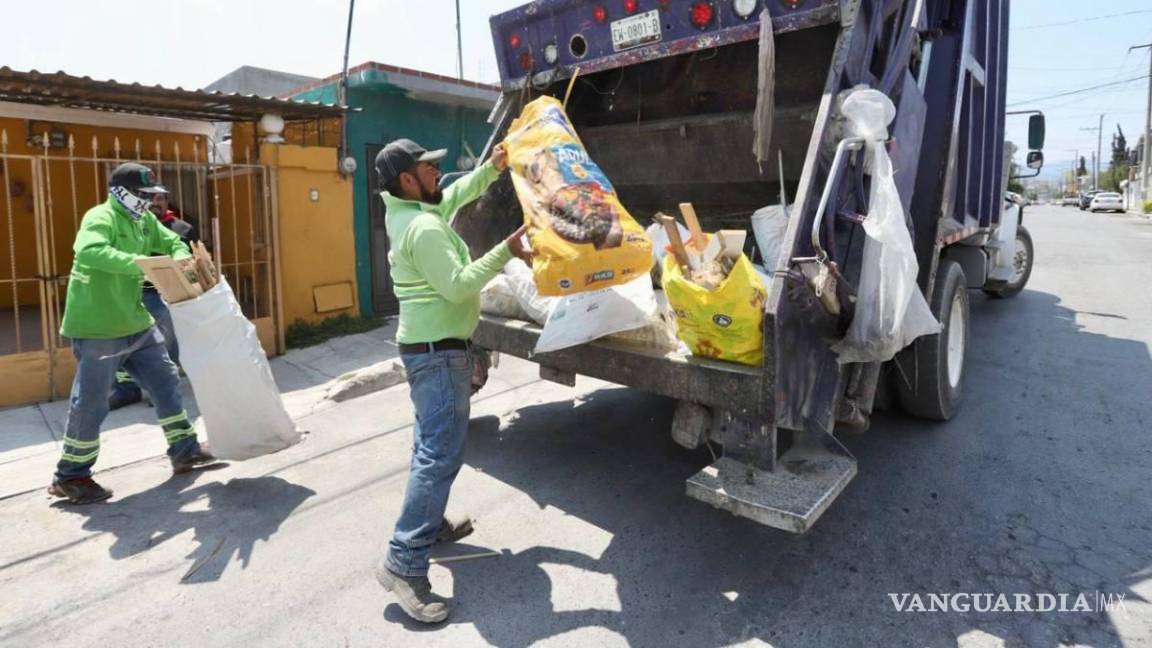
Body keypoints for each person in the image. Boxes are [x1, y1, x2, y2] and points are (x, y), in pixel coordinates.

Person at [372, 139, 531, 623]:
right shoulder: (421, 227)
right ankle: (404, 562)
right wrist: (506, 250)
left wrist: (492, 168)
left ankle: (430, 524)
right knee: (439, 454)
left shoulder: (411, 210)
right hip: (438, 356)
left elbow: (456, 192)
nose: (437, 173)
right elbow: (461, 284)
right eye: (428, 168)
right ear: (406, 180)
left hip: (430, 350)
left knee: (430, 447)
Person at [49, 163, 217, 505]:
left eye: (152, 196)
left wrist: (181, 259)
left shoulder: (143, 221)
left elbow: (172, 240)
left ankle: (184, 450)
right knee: (92, 401)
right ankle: (71, 476)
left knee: (166, 379)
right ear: (122, 193)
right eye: (144, 195)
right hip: (98, 326)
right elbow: (89, 251)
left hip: (135, 320)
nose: (149, 202)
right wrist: (143, 264)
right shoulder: (101, 218)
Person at [108, 188, 193, 410]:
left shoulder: (181, 228)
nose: (156, 202)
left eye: (161, 198)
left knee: (165, 339)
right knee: (121, 338)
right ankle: (127, 389)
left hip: (162, 292)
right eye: (152, 198)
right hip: (129, 290)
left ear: (167, 202)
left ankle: (164, 387)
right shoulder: (131, 226)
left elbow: (188, 258)